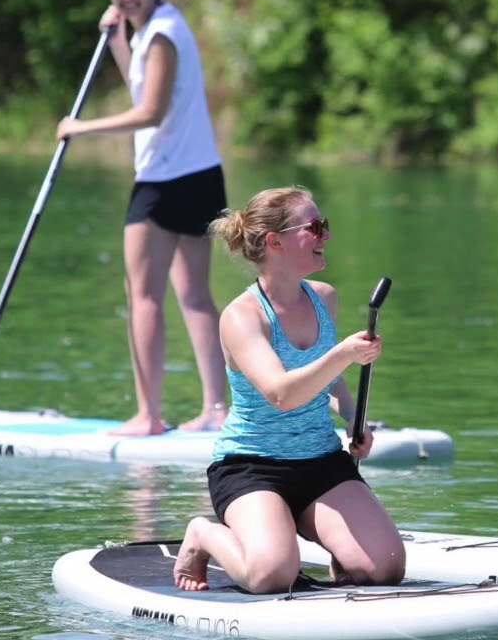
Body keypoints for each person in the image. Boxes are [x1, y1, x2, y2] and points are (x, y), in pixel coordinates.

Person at [172, 186, 406, 594]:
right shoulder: (242, 317)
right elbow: (281, 394)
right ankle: (203, 535)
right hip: (251, 466)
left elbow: (330, 382)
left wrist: (353, 418)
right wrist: (345, 353)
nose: (326, 236)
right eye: (315, 227)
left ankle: (303, 522)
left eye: (325, 225)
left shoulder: (324, 299)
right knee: (271, 576)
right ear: (275, 242)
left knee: (384, 569)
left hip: (320, 461)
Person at [56, 0, 228, 436]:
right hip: (199, 174)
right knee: (193, 295)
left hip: (164, 180)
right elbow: (144, 89)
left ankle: (150, 417)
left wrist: (80, 129)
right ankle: (215, 410)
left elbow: (150, 112)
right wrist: (116, 40)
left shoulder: (162, 37)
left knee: (145, 297)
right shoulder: (159, 28)